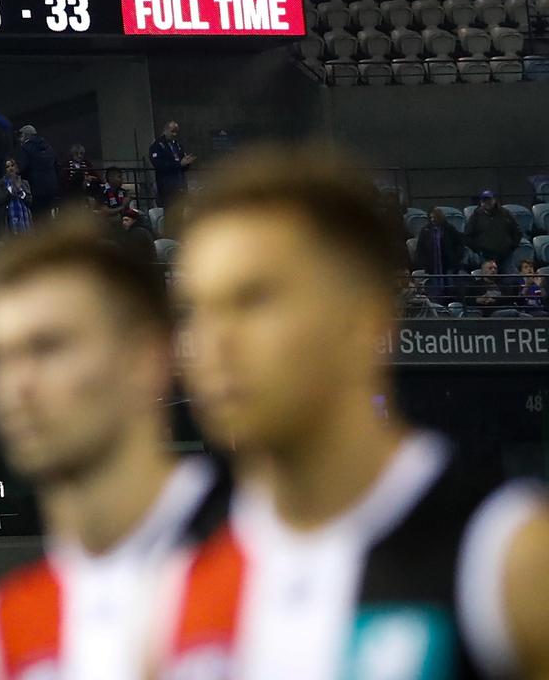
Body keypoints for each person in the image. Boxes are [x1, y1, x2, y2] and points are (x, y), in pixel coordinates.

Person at [163, 146, 549, 679]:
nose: (214, 341)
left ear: (364, 318)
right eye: (196, 310)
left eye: (253, 300)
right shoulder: (170, 572)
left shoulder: (509, 554)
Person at [0, 215, 225, 680]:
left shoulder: (275, 558)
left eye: (47, 347)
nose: (13, 386)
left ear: (147, 358)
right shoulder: (2, 616)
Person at [414, 206, 466, 301]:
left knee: (451, 289)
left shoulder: (450, 229)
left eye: (435, 217)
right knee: (434, 291)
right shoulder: (425, 231)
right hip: (432, 267)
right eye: (431, 218)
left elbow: (460, 244)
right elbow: (420, 249)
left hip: (449, 266)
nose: (433, 220)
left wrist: (456, 259)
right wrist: (424, 264)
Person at [465, 190, 523, 273]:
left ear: (494, 200)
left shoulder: (505, 213)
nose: (487, 202)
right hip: (485, 255)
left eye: (489, 200)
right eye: (484, 200)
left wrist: (511, 246)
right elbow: (467, 235)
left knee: (509, 279)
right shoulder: (476, 216)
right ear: (481, 202)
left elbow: (517, 231)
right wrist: (478, 249)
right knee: (488, 279)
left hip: (505, 255)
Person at [16, 125, 59, 217]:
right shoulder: (48, 146)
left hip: (36, 188)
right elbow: (56, 164)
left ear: (25, 135)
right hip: (51, 186)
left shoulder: (26, 148)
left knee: (38, 217)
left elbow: (23, 167)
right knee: (48, 216)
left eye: (21, 136)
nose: (20, 139)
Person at [149, 120, 194, 207]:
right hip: (167, 186)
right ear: (165, 130)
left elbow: (182, 163)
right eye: (172, 131)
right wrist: (179, 164)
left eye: (176, 132)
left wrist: (187, 163)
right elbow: (159, 165)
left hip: (180, 184)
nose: (175, 134)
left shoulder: (177, 145)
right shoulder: (157, 145)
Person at [0, 158, 33, 236]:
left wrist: (19, 190)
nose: (10, 168)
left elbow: (29, 201)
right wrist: (12, 188)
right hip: (9, 220)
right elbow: (1, 200)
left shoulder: (24, 182)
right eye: (7, 167)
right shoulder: (0, 183)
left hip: (25, 219)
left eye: (12, 165)